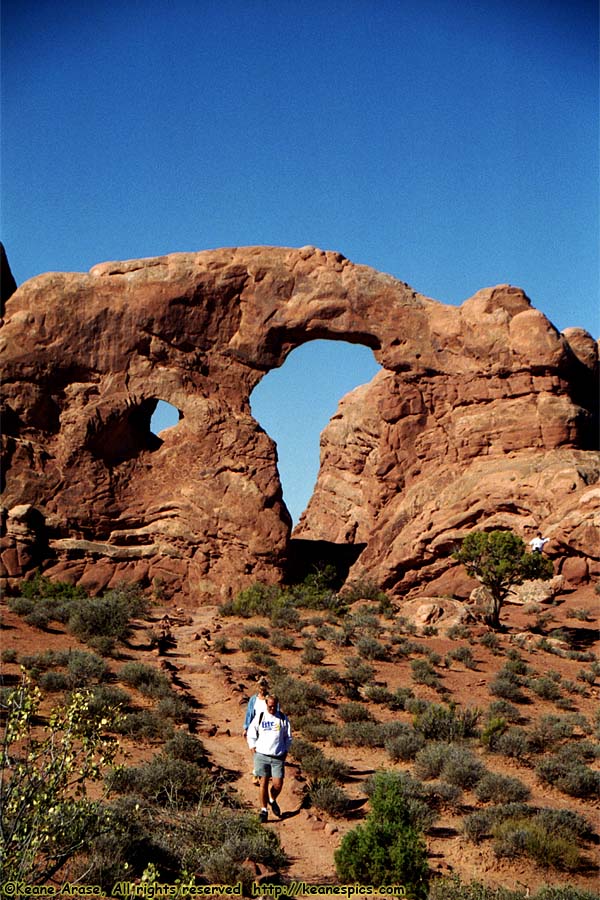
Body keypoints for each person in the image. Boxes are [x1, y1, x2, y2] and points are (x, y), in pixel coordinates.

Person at [246, 693, 292, 823]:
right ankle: (263, 810)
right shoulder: (260, 716)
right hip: (262, 755)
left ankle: (272, 799)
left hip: (278, 757)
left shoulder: (282, 718)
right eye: (270, 706)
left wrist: (286, 750)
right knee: (263, 783)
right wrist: (252, 746)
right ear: (266, 705)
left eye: (275, 706)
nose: (272, 709)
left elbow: (288, 737)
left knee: (278, 784)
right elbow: (251, 732)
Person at [243, 677, 270, 785]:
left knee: (262, 751)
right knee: (254, 749)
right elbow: (249, 714)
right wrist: (246, 727)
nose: (262, 691)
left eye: (263, 688)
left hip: (266, 728)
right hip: (254, 728)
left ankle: (257, 773)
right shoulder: (253, 699)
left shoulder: (270, 699)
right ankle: (258, 771)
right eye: (260, 688)